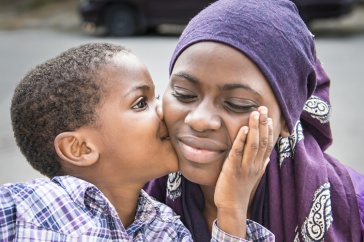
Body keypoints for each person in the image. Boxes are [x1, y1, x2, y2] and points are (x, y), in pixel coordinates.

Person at [0, 42, 275, 241]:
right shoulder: (21, 207)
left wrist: (231, 208)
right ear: (80, 148)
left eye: (157, 97)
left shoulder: (168, 230)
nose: (164, 110)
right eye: (141, 103)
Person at [144, 0, 364, 241]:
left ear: (285, 121)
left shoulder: (351, 206)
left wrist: (231, 209)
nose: (199, 120)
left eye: (238, 104)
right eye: (183, 94)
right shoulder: (126, 192)